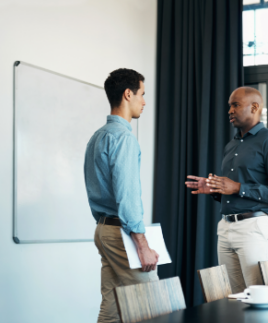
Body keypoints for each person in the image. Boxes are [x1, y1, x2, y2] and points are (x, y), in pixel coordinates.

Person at [185, 87, 268, 293]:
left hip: (255, 228)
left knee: (258, 297)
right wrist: (215, 189)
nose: (230, 111)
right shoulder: (231, 145)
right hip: (225, 228)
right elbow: (233, 192)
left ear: (254, 107)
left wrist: (238, 187)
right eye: (229, 106)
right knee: (233, 299)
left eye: (235, 105)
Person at [84, 68, 159, 323]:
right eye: (142, 94)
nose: (144, 101)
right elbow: (127, 195)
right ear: (128, 94)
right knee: (155, 303)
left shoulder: (97, 137)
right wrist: (142, 244)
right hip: (121, 234)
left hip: (103, 230)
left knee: (112, 308)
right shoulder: (124, 138)